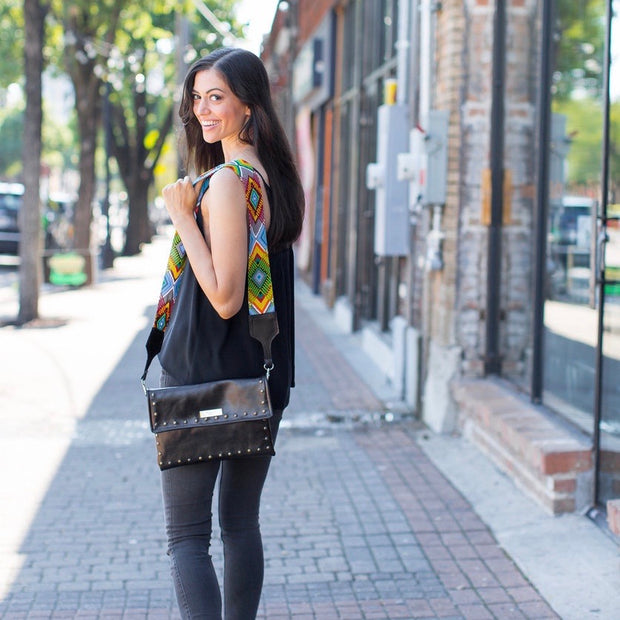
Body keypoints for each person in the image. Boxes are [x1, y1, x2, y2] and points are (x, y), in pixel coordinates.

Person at [156, 47, 304, 619]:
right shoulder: (268, 177)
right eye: (197, 99)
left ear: (249, 105)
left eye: (216, 97)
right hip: (258, 379)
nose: (203, 111)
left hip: (202, 378)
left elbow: (223, 297)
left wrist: (181, 220)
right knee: (240, 523)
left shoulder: (224, 183)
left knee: (187, 537)